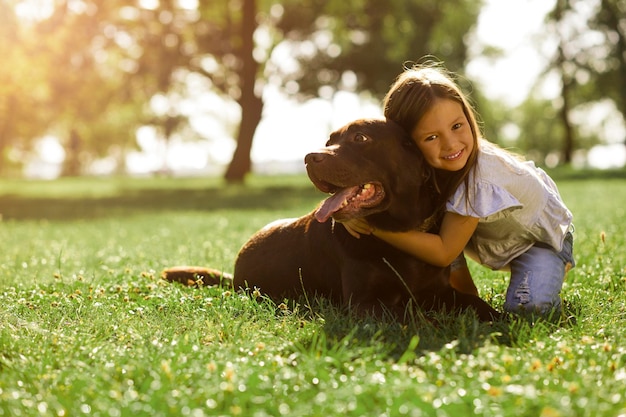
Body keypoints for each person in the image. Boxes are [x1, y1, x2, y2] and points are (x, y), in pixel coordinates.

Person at [341, 63, 575, 320]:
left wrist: (372, 224)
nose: (451, 144)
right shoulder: (432, 171)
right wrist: (350, 207)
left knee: (528, 310)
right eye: (431, 137)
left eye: (457, 126)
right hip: (483, 239)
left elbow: (444, 252)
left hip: (540, 241)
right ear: (407, 146)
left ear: (468, 116)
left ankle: (551, 267)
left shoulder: (479, 176)